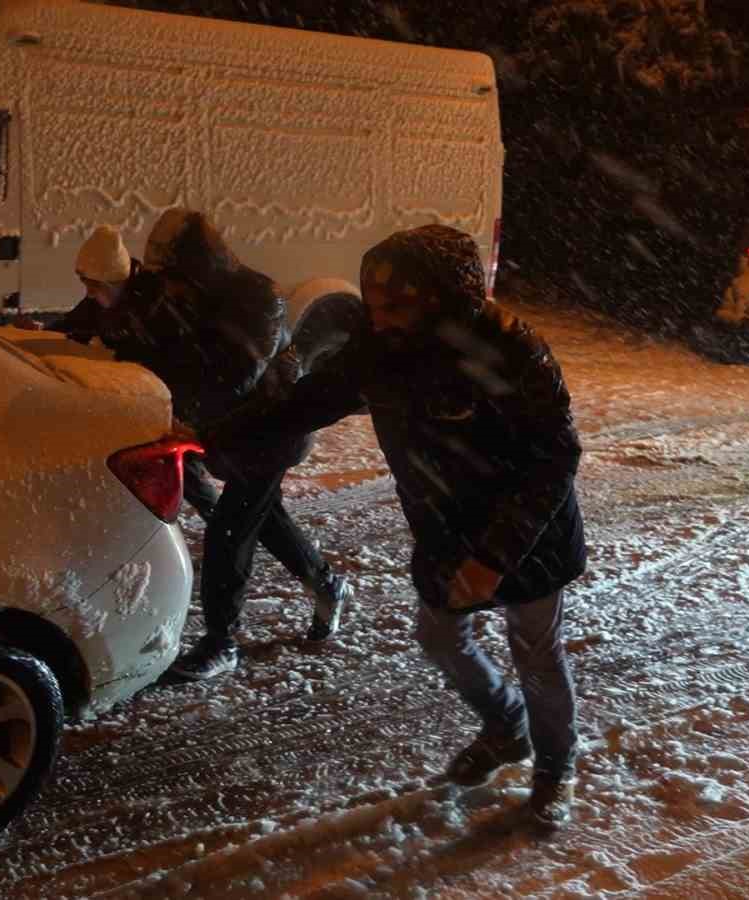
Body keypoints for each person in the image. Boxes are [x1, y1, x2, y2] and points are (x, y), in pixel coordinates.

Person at [205, 225, 586, 826]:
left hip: (526, 534)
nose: (376, 317)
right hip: (443, 523)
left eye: (393, 305)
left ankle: (555, 769)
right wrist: (209, 434)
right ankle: (506, 726)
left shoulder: (510, 351)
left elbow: (555, 457)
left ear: (438, 298)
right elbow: (304, 402)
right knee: (440, 637)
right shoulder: (379, 348)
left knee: (536, 651)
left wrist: (494, 557)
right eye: (373, 303)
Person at [95, 209, 352, 680]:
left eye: (173, 278)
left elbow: (234, 375)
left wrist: (176, 387)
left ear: (196, 269)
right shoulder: (192, 298)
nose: (167, 288)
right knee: (266, 520)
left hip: (270, 432)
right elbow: (166, 349)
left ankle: (221, 641)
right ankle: (326, 584)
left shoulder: (258, 298)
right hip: (224, 434)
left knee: (228, 533)